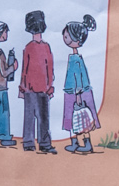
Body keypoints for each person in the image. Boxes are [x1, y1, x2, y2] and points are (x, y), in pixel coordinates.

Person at [59, 14, 100, 154]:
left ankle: (85, 143)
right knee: (74, 119)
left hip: (77, 93)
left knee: (81, 119)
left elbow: (78, 77)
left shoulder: (75, 59)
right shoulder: (74, 57)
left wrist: (77, 94)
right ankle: (76, 142)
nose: (65, 39)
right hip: (74, 92)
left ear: (77, 39)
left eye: (67, 37)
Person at [18, 10, 56, 155]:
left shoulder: (38, 47)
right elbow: (27, 69)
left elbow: (48, 69)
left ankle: (36, 143)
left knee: (40, 117)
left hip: (36, 89)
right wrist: (23, 88)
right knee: (36, 117)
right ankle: (35, 143)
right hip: (34, 89)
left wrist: (49, 87)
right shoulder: (35, 47)